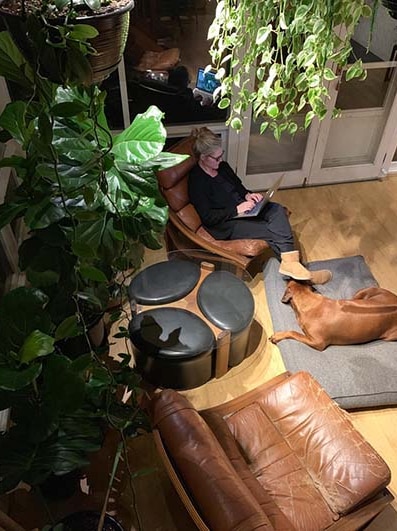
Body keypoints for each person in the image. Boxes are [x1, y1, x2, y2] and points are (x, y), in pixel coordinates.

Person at [188, 127, 332, 284]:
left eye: (221, 155)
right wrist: (237, 209)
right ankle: (302, 277)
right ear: (203, 157)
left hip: (244, 208)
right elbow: (208, 217)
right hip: (227, 223)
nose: (221, 160)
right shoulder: (197, 181)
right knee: (273, 231)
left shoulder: (223, 168)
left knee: (276, 210)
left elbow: (239, 187)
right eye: (216, 158)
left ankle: (292, 267)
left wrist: (248, 195)